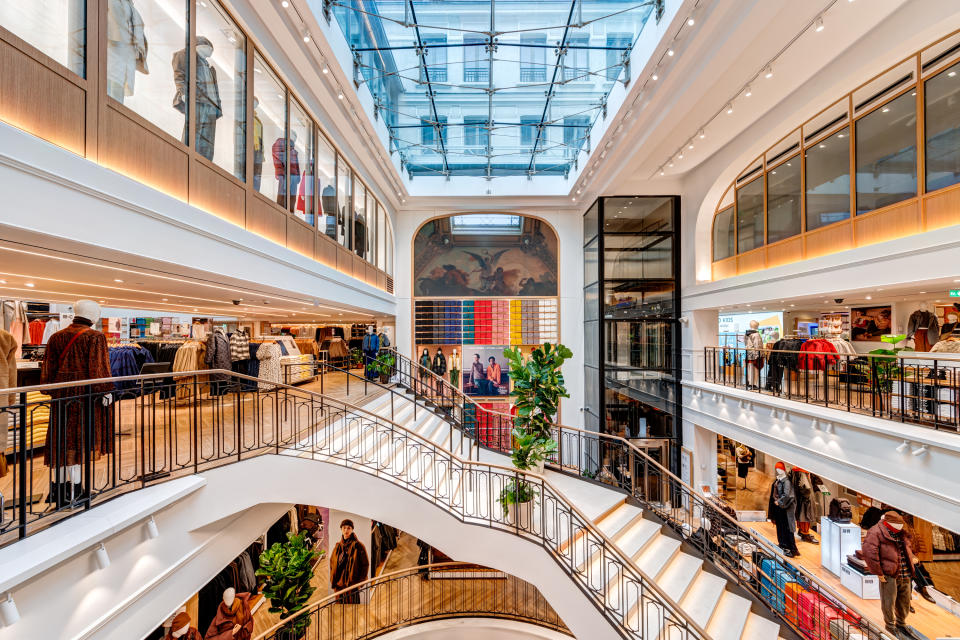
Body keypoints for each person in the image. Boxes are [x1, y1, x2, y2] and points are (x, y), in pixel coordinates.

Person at [862, 511, 918, 635]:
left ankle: (901, 623)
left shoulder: (902, 532)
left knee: (904, 601)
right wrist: (878, 572)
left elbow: (907, 547)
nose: (899, 527)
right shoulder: (876, 532)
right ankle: (890, 625)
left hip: (905, 572)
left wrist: (912, 557)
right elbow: (869, 552)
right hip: (889, 574)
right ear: (888, 523)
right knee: (889, 601)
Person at [330, 519, 369, 604]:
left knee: (353, 610)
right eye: (344, 528)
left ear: (352, 530)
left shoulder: (358, 546)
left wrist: (360, 583)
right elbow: (332, 564)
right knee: (340, 610)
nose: (346, 530)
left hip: (352, 586)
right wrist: (333, 579)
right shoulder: (337, 547)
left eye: (348, 528)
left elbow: (365, 565)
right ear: (341, 529)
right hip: (339, 586)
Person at [767, 461, 799, 557]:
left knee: (786, 528)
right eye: (777, 468)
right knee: (780, 527)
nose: (778, 470)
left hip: (784, 509)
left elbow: (788, 496)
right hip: (779, 509)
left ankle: (789, 547)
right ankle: (782, 544)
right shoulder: (779, 480)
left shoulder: (787, 482)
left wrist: (779, 502)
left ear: (783, 469)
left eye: (780, 468)